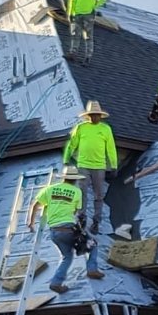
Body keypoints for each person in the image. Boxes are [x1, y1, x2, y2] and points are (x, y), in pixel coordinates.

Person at [27, 166, 105, 294]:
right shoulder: (76, 191)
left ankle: (56, 283)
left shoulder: (50, 189)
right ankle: (92, 269)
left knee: (67, 257)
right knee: (93, 244)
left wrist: (30, 222)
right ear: (74, 180)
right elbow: (76, 211)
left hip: (54, 232)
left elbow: (35, 205)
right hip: (69, 229)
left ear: (63, 178)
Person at [62, 100, 117, 234]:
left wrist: (114, 165)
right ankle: (82, 217)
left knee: (99, 195)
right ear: (88, 116)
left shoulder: (105, 129)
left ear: (100, 115)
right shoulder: (81, 128)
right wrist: (66, 159)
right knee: (82, 192)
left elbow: (111, 148)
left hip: (99, 166)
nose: (95, 117)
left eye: (97, 115)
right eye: (92, 115)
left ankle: (96, 221)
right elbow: (72, 144)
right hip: (83, 165)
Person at [65, 0, 107, 65]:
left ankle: (88, 57)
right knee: (75, 34)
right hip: (77, 13)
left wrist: (94, 5)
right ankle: (73, 53)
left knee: (88, 36)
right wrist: (70, 12)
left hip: (88, 14)